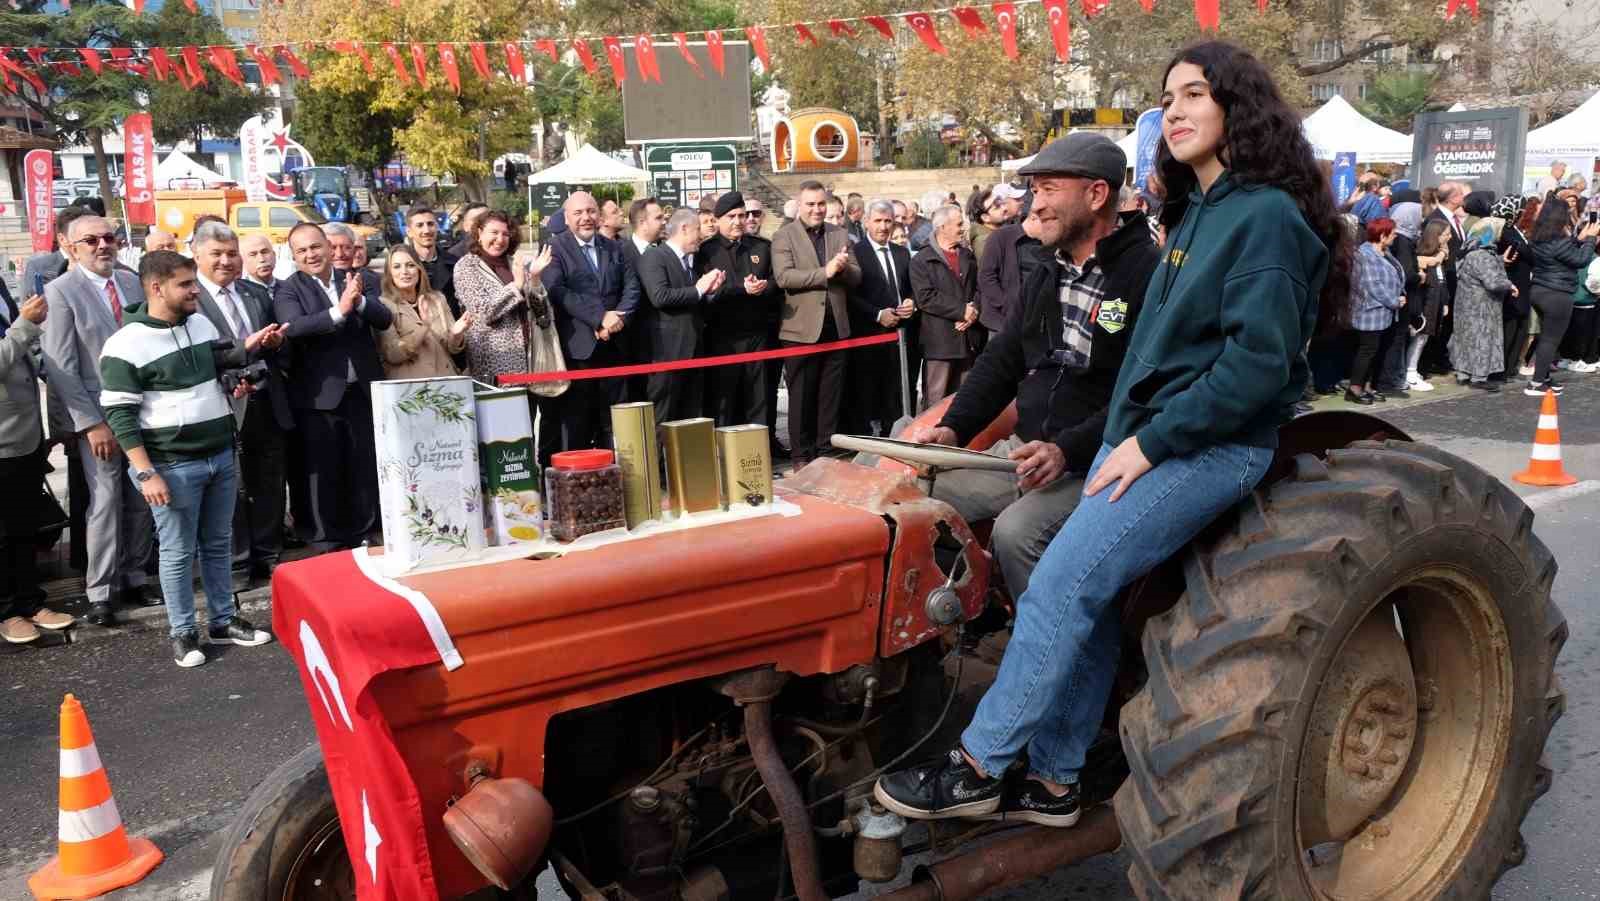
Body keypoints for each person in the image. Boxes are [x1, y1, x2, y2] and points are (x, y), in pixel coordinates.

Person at [875, 40, 1343, 828]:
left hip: (1212, 446)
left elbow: (1258, 370)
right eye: (1171, 98)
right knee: (1081, 588)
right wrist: (1119, 434)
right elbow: (1142, 362)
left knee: (1060, 576)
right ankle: (1056, 779)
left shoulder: (1262, 216)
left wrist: (1149, 442)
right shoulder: (1196, 214)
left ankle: (978, 765)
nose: (1179, 109)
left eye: (1198, 93)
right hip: (1154, 440)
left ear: (1239, 106)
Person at [912, 132, 1161, 596]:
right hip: (1028, 455)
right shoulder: (1049, 268)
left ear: (1096, 194)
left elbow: (1139, 392)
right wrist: (954, 429)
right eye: (1034, 191)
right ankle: (965, 617)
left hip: (1096, 463)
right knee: (915, 499)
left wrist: (1067, 449)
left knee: (1018, 532)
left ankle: (1048, 654)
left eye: (1048, 190)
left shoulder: (1146, 275)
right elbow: (1002, 359)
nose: (1034, 205)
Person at [99, 250, 276, 667]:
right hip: (171, 465)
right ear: (156, 287)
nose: (196, 289)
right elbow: (120, 415)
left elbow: (212, 373)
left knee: (217, 544)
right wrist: (146, 473)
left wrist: (233, 386)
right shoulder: (125, 345)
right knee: (178, 552)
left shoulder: (199, 323)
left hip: (219, 454)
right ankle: (182, 632)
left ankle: (222, 620)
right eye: (185, 283)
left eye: (194, 281)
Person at [41, 215, 157, 627]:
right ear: (70, 247)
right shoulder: (60, 292)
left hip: (143, 409)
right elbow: (61, 367)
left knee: (143, 493)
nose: (102, 245)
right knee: (105, 502)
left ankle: (135, 575)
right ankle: (101, 591)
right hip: (100, 418)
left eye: (109, 237)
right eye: (91, 240)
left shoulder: (129, 282)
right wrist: (90, 423)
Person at [274, 222, 394, 553]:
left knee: (362, 463)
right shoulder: (288, 289)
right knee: (322, 470)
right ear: (294, 256)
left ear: (328, 247)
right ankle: (325, 538)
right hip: (318, 396)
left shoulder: (355, 278)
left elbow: (384, 319)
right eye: (302, 250)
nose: (311, 255)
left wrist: (358, 302)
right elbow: (293, 327)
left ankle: (365, 530)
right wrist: (338, 311)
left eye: (315, 247)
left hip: (362, 391)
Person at [190, 221, 294, 584]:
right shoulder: (191, 300)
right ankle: (237, 561)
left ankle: (268, 552)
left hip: (265, 398)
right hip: (221, 402)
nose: (226, 261)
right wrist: (242, 353)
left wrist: (275, 344)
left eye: (232, 253)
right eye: (216, 254)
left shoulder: (255, 292)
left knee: (269, 479)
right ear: (196, 255)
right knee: (229, 487)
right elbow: (196, 355)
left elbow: (278, 343)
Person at [0, 284, 75, 643]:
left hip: (24, 436)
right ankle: (7, 611)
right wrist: (24, 325)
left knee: (24, 529)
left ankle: (30, 602)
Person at [540, 192, 641, 456]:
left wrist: (616, 318)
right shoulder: (555, 248)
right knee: (578, 424)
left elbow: (631, 286)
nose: (586, 217)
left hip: (616, 344)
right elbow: (558, 291)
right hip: (579, 350)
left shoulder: (615, 246)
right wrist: (599, 318)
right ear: (566, 217)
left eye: (591, 211)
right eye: (578, 213)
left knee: (615, 421)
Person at [772, 180, 861, 466]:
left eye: (821, 204)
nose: (817, 209)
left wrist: (844, 269)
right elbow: (785, 278)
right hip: (800, 330)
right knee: (801, 397)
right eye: (810, 204)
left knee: (829, 397)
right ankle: (801, 455)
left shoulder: (839, 233)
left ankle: (826, 452)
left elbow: (857, 277)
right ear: (800, 205)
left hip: (836, 327)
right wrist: (825, 271)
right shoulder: (784, 236)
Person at [697, 192, 777, 427]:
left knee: (759, 397)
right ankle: (725, 452)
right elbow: (707, 291)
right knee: (724, 399)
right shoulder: (706, 251)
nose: (738, 221)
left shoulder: (761, 247)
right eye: (731, 216)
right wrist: (742, 289)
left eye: (742, 216)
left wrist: (763, 287)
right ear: (718, 219)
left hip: (757, 334)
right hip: (723, 336)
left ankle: (760, 450)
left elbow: (777, 281)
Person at [640, 209, 724, 424]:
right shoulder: (655, 256)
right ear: (684, 229)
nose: (702, 236)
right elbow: (659, 296)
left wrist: (710, 292)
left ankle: (686, 458)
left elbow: (693, 301)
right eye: (698, 229)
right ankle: (658, 459)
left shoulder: (690, 261)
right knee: (663, 415)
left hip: (694, 350)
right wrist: (698, 289)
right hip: (667, 353)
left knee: (691, 415)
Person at [456, 211, 553, 387]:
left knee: (529, 414)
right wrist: (516, 286)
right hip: (494, 367)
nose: (500, 239)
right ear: (479, 233)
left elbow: (542, 314)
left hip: (529, 360)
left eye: (505, 234)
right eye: (494, 232)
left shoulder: (513, 263)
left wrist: (536, 278)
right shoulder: (466, 266)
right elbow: (483, 312)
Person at [849, 199, 918, 434]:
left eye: (888, 221)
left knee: (896, 390)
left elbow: (909, 288)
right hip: (868, 334)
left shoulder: (901, 253)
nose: (883, 226)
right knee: (868, 391)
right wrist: (877, 314)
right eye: (877, 221)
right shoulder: (855, 253)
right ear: (867, 221)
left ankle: (895, 435)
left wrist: (911, 302)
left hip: (900, 335)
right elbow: (849, 295)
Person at [1526, 197, 1599, 394]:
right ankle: (1537, 383)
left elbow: (1561, 253)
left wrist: (1579, 239)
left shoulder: (1538, 237)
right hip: (1557, 294)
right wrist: (1591, 238)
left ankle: (1544, 377)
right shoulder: (1558, 240)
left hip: (1539, 290)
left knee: (1546, 337)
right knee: (1551, 339)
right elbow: (1581, 260)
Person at [911, 205, 979, 406]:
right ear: (942, 227)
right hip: (939, 343)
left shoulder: (967, 255)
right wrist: (961, 311)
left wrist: (973, 312)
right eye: (958, 224)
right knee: (936, 402)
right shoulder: (921, 260)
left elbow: (979, 287)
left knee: (965, 401)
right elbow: (925, 297)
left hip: (968, 340)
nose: (963, 228)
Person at [378, 244, 472, 379]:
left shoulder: (437, 299)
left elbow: (452, 348)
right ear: (389, 273)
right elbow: (393, 354)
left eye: (410, 265)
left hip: (445, 382)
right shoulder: (384, 305)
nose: (404, 271)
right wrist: (424, 326)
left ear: (419, 269)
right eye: (397, 266)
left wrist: (456, 334)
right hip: (411, 389)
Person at [1449, 218, 1515, 390]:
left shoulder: (1469, 251)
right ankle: (1478, 377)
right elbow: (1493, 282)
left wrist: (1499, 260)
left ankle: (1463, 373)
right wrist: (1509, 285)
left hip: (1465, 304)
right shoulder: (1482, 256)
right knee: (1481, 339)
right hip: (1482, 307)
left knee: (1464, 338)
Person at [1346, 218, 1405, 404]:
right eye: (1393, 233)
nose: (1396, 236)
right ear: (1382, 235)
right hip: (1370, 312)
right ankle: (1354, 389)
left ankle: (1368, 386)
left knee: (1376, 351)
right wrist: (1394, 301)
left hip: (1384, 313)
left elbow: (1396, 274)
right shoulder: (1365, 255)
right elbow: (1373, 285)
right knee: (1367, 351)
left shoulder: (1385, 252)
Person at [976, 192, 1043, 337]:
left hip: (1032, 321)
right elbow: (986, 277)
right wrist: (1007, 306)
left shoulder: (1045, 243)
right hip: (1002, 323)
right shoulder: (1000, 237)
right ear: (1033, 218)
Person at [1404, 217, 1451, 391]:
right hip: (1425, 301)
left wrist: (1444, 301)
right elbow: (1429, 263)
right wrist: (1442, 254)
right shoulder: (1423, 253)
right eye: (1446, 234)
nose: (1449, 237)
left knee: (1424, 338)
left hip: (1436, 300)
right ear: (1436, 235)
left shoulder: (1439, 255)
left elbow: (1441, 278)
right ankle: (1410, 371)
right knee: (1419, 337)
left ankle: (1413, 369)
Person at [1502, 196, 1538, 378]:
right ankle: (1503, 369)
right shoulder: (1508, 231)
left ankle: (1510, 368)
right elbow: (1526, 254)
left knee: (1521, 330)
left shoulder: (1522, 234)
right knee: (1510, 330)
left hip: (1525, 288)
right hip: (1514, 288)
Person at [405, 205, 461, 318]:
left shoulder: (455, 263)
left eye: (430, 224)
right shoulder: (399, 267)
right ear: (409, 231)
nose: (426, 230)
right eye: (419, 225)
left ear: (436, 227)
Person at [1565, 252, 1600, 372]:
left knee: (1571, 331)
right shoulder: (1594, 259)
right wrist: (1598, 292)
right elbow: (1593, 282)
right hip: (1586, 299)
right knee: (1582, 333)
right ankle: (1576, 360)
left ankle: (1567, 358)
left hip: (1571, 297)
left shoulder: (1572, 253)